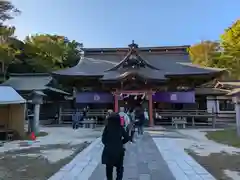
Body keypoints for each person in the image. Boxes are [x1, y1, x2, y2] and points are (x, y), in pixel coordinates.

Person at [102, 113, 129, 180]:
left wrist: (108, 144)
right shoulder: (120, 127)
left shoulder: (107, 127)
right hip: (119, 150)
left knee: (109, 168)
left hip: (109, 150)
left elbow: (103, 139)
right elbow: (127, 138)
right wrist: (121, 142)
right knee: (119, 168)